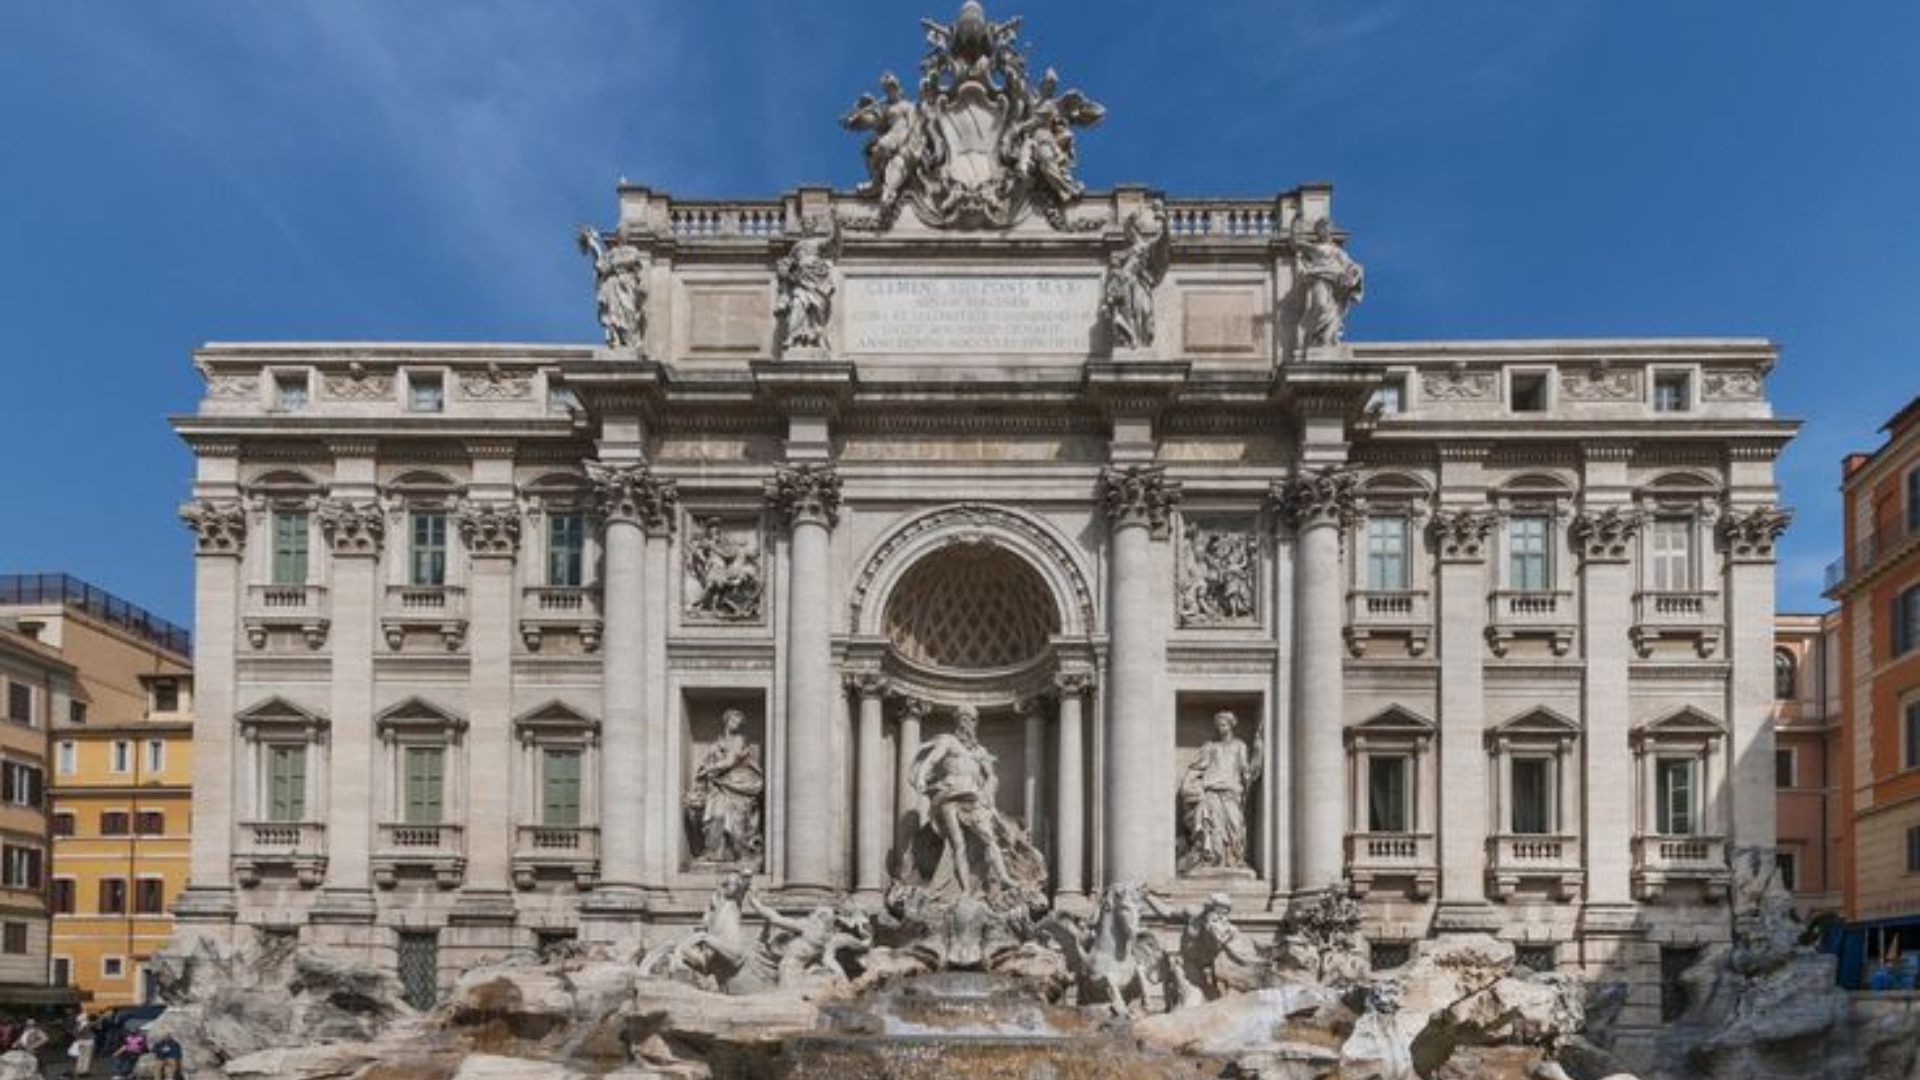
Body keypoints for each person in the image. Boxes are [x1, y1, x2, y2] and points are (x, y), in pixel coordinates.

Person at [1177, 710, 1263, 871]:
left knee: (1234, 826)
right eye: (1218, 725)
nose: (1220, 728)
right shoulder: (1210, 747)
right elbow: (1198, 768)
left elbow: (1247, 771)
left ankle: (1233, 859)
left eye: (1223, 725)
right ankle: (1213, 861)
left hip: (1232, 792)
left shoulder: (1240, 746)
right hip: (1212, 792)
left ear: (1231, 726)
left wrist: (1258, 751)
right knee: (1213, 828)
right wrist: (1191, 785)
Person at [685, 708, 765, 864]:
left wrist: (709, 769)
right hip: (717, 786)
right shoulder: (717, 742)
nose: (735, 724)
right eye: (733, 720)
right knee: (716, 816)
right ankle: (712, 852)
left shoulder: (738, 740)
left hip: (736, 784)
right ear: (726, 720)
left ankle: (737, 854)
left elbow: (730, 762)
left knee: (734, 822)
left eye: (738, 722)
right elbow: (708, 761)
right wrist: (705, 769)